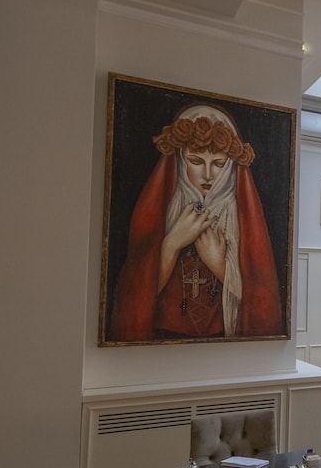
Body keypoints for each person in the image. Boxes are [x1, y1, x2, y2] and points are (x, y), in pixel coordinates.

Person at [109, 103, 283, 341]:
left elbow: (263, 303)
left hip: (224, 344)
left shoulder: (240, 215)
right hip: (160, 342)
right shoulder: (162, 209)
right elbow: (133, 300)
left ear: (230, 166)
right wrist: (172, 244)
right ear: (181, 161)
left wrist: (220, 265)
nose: (208, 174)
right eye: (196, 161)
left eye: (218, 164)